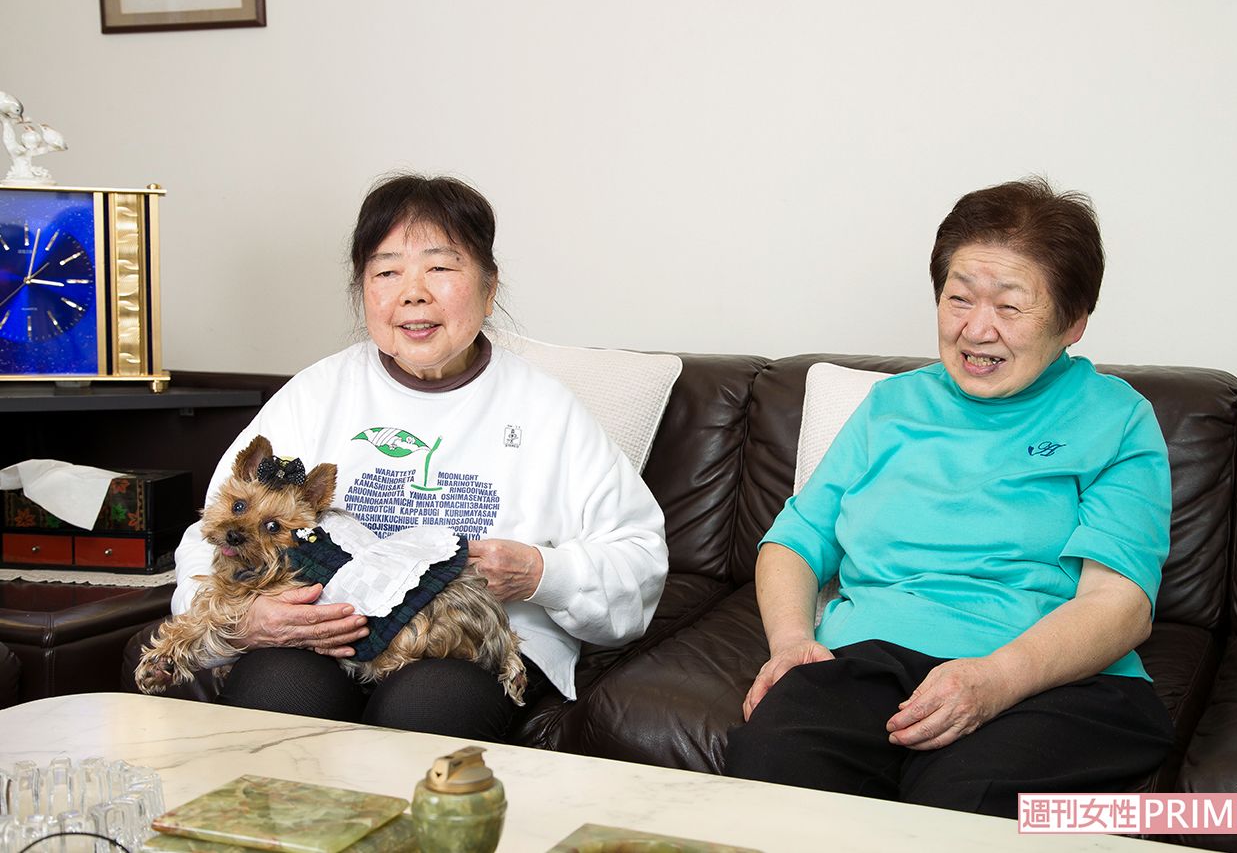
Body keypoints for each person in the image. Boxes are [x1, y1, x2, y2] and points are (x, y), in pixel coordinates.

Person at [724, 178, 1174, 817]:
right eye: (958, 298)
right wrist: (792, 642)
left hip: (1044, 677)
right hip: (868, 663)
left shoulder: (1118, 419)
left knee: (962, 798)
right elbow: (794, 541)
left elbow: (1120, 603)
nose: (977, 329)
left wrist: (994, 680)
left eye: (1010, 307)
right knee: (770, 763)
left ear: (1073, 323)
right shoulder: (892, 406)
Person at [170, 173, 668, 739]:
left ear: (489, 287)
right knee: (277, 694)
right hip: (323, 636)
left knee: (429, 709)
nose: (413, 292)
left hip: (466, 645)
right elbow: (213, 531)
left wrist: (539, 572)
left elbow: (637, 559)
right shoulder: (316, 393)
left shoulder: (545, 407)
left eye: (440, 267)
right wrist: (247, 621)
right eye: (386, 272)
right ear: (364, 293)